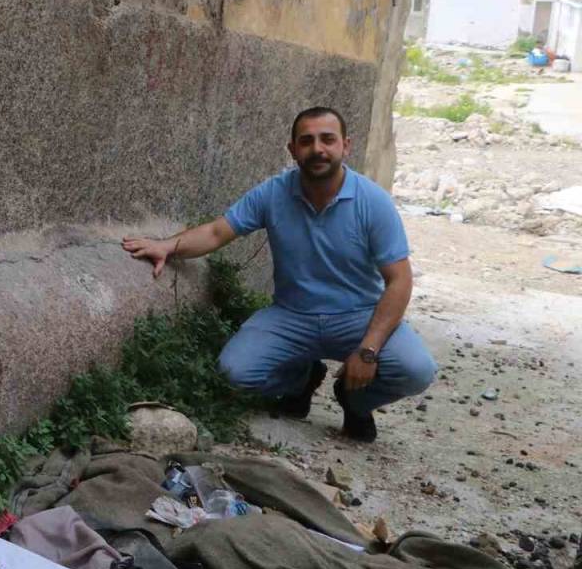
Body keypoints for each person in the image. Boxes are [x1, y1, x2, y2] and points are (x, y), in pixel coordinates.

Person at [121, 107, 436, 443]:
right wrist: (168, 246)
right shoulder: (273, 193)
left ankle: (355, 399)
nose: (318, 149)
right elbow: (216, 232)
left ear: (346, 146)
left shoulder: (372, 202)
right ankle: (301, 379)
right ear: (292, 150)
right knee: (234, 372)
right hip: (292, 315)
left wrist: (367, 351)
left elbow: (400, 280)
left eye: (328, 139)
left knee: (417, 370)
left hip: (358, 317)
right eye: (307, 141)